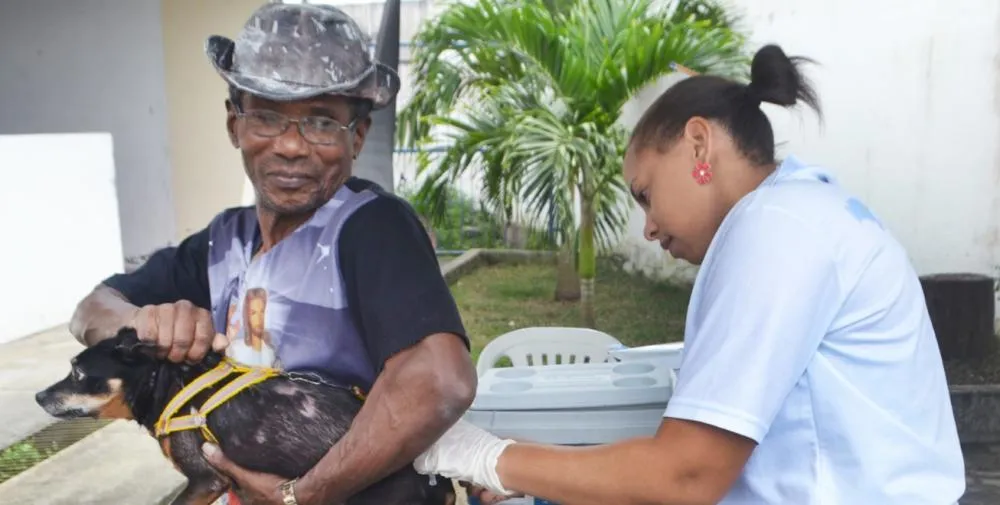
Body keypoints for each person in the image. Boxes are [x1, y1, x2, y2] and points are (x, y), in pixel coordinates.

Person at [412, 44, 967, 505]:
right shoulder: (802, 210)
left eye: (646, 194)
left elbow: (686, 477)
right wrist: (535, 468)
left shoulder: (775, 229)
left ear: (699, 144)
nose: (649, 227)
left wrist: (487, 455)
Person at [68, 3, 476, 505]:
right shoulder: (223, 242)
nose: (289, 145)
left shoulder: (371, 227)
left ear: (358, 137)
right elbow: (91, 309)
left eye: (322, 122)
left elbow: (440, 380)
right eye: (266, 117)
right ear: (234, 125)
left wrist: (305, 494)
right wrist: (144, 327)